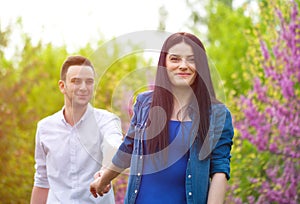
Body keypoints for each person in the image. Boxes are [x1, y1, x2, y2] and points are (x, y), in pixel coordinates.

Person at [90, 32, 234, 204]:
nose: (183, 65)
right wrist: (103, 180)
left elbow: (219, 170)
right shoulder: (145, 103)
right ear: (164, 64)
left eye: (191, 59)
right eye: (175, 59)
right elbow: (128, 149)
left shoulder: (217, 114)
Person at [30, 55, 123, 204]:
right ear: (62, 86)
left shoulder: (107, 121)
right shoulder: (45, 128)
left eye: (89, 82)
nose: (83, 87)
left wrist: (106, 173)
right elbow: (42, 180)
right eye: (76, 81)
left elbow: (115, 146)